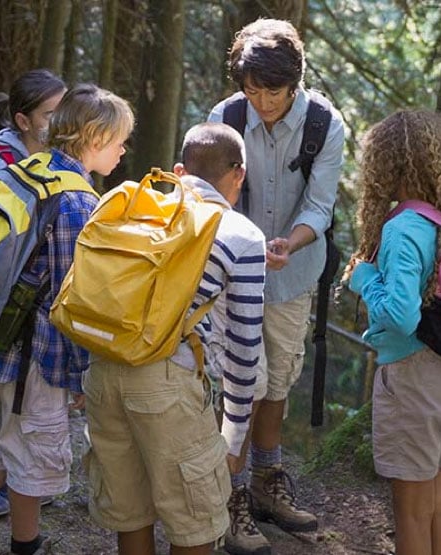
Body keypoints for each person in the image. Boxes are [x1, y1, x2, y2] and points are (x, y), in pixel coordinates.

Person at [82, 122, 266, 555]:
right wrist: (235, 435)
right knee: (195, 526)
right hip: (168, 382)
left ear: (180, 171)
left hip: (105, 368)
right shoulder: (241, 234)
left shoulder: (137, 210)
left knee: (132, 514)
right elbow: (244, 348)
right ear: (238, 174)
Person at [208, 17, 345, 555]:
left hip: (294, 273)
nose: (262, 102)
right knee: (239, 382)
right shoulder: (226, 117)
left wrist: (292, 240)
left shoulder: (324, 124)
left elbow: (321, 202)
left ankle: (267, 483)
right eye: (252, 90)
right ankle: (231, 495)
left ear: (295, 83)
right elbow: (207, 195)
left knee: (278, 380)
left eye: (273, 91)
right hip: (230, 275)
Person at [0, 83, 134, 555]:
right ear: (94, 139)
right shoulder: (77, 202)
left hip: (0, 338)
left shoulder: (29, 169)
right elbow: (71, 302)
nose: (123, 150)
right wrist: (78, 375)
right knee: (34, 452)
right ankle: (26, 546)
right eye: (118, 141)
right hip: (36, 354)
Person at [344, 109, 441, 555]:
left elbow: (401, 316)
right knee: (439, 503)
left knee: (410, 513)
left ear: (389, 166)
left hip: (413, 375)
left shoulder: (403, 227)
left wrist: (363, 279)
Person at [0, 69, 67, 518]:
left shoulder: (40, 161)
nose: (58, 125)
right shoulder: (3, 172)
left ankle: (16, 491)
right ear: (23, 120)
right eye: (50, 115)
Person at [0, 68, 66, 175]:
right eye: (51, 115)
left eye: (66, 112)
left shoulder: (63, 160)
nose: (64, 122)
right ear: (23, 122)